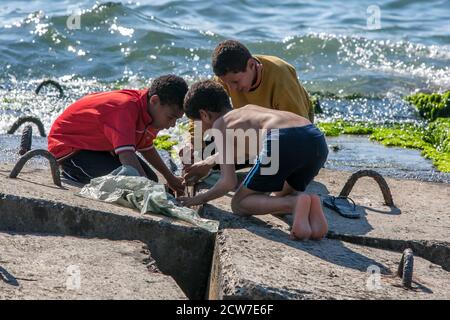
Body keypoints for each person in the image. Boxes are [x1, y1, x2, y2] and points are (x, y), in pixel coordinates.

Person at [178, 81, 328, 240]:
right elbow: (244, 150)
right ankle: (311, 210)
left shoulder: (219, 124)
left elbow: (227, 182)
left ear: (204, 115)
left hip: (283, 140)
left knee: (239, 203)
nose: (202, 130)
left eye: (197, 123)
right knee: (277, 201)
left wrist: (198, 199)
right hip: (315, 140)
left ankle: (295, 204)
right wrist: (209, 162)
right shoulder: (246, 111)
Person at [183, 39, 314, 181]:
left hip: (284, 139)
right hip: (250, 135)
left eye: (235, 82)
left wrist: (212, 160)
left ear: (252, 65)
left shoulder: (281, 77)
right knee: (201, 156)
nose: (231, 89)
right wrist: (191, 144)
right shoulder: (227, 77)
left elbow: (298, 135)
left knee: (214, 161)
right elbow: (200, 112)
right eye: (226, 83)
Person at [48, 74, 188, 195]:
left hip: (98, 148)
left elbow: (146, 147)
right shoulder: (126, 108)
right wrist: (150, 191)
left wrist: (170, 178)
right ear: (155, 101)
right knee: (131, 186)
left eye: (176, 119)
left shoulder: (152, 111)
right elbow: (127, 155)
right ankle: (71, 171)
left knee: (151, 179)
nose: (172, 124)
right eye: (171, 118)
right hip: (71, 148)